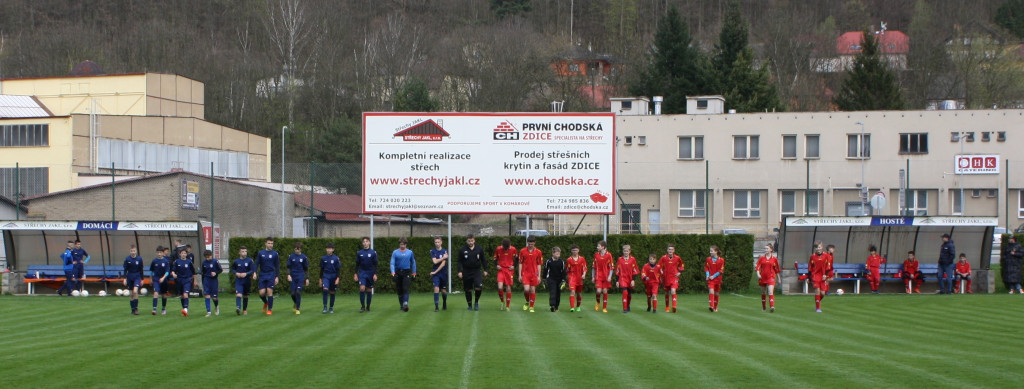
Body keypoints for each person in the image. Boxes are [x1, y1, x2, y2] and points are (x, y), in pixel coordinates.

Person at [457, 234, 487, 311]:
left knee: (479, 287)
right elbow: (459, 261)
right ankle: (469, 305)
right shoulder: (462, 249)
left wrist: (485, 270)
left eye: (472, 241)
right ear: (466, 241)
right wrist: (460, 271)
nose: (470, 242)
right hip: (466, 271)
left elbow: (483, 260)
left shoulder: (479, 249)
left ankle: (476, 302)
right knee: (468, 289)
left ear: (474, 240)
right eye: (469, 241)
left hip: (477, 271)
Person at [390, 237, 417, 312]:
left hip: (406, 272)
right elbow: (392, 263)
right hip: (398, 272)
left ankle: (405, 304)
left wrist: (414, 273)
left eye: (403, 244)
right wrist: (393, 273)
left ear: (406, 244)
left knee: (405, 288)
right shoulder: (395, 252)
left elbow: (413, 262)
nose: (402, 246)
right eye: (401, 244)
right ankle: (402, 306)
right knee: (399, 291)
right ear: (399, 244)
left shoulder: (410, 252)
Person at [518, 235, 543, 312]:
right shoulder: (522, 251)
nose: (530, 245)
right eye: (529, 244)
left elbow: (539, 264)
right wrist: (519, 275)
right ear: (527, 243)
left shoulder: (538, 252)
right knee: (526, 289)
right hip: (525, 273)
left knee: (532, 290)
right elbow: (520, 263)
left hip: (534, 274)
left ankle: (531, 306)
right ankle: (527, 301)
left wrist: (539, 276)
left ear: (534, 243)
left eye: (532, 244)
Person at [255, 237, 280, 315]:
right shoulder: (261, 253)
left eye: (272, 243)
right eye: (269, 243)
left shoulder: (275, 254)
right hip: (262, 275)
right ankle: (266, 303)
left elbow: (277, 266)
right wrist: (254, 273)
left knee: (269, 292)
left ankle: (269, 309)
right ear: (265, 243)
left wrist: (277, 276)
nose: (270, 245)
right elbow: (256, 264)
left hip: (271, 274)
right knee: (261, 293)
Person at [170, 248, 197, 317]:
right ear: (180, 254)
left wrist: (195, 281)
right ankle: (184, 309)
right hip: (179, 280)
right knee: (182, 296)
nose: (183, 254)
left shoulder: (189, 262)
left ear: (186, 254)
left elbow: (194, 272)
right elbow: (173, 270)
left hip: (187, 280)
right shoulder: (177, 262)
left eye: (185, 253)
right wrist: (173, 274)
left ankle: (185, 309)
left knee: (185, 294)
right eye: (182, 253)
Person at [355, 237, 379, 312]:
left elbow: (375, 264)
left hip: (370, 273)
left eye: (367, 241)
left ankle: (368, 306)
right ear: (362, 243)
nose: (365, 243)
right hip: (362, 272)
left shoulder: (373, 253)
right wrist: (355, 274)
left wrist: (375, 274)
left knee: (369, 290)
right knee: (362, 288)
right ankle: (362, 306)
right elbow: (357, 264)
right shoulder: (359, 253)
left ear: (369, 243)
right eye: (364, 241)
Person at [658, 244, 684, 313]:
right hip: (666, 278)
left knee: (673, 291)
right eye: (669, 249)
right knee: (667, 292)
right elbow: (658, 266)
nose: (670, 251)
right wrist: (660, 270)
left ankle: (674, 307)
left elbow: (681, 265)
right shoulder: (663, 258)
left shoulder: (677, 258)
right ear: (667, 250)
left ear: (674, 250)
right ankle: (667, 307)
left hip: (674, 277)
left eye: (672, 249)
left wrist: (679, 272)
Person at [614, 244, 640, 313]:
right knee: (625, 292)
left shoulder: (633, 259)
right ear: (623, 251)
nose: (626, 252)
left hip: (630, 279)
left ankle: (628, 305)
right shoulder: (620, 259)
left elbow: (635, 270)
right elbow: (617, 271)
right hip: (622, 279)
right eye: (624, 251)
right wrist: (617, 281)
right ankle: (624, 308)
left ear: (629, 251)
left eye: (627, 251)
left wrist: (633, 280)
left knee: (629, 294)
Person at [755, 243, 780, 312]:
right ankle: (764, 307)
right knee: (763, 292)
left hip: (771, 277)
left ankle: (772, 307)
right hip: (763, 277)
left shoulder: (774, 259)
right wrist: (758, 274)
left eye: (767, 248)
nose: (765, 250)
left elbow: (776, 269)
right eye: (765, 248)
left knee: (770, 292)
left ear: (771, 250)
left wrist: (779, 278)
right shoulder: (761, 258)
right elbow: (757, 267)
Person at [493, 238, 517, 311]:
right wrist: (496, 265)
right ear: (502, 245)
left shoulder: (513, 249)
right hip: (501, 270)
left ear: (510, 245)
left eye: (507, 248)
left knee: (508, 287)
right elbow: (495, 259)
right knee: (500, 287)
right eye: (505, 248)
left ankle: (507, 306)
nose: (506, 249)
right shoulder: (498, 249)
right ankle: (502, 301)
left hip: (509, 270)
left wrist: (514, 266)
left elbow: (517, 259)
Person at [232, 246, 256, 315]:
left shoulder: (250, 261)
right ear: (239, 252)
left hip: (247, 281)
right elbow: (233, 269)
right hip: (239, 281)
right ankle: (238, 308)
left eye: (245, 251)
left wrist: (246, 273)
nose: (244, 253)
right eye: (242, 251)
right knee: (238, 295)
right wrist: (236, 273)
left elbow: (252, 270)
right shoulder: (236, 261)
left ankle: (245, 309)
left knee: (245, 296)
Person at [287, 242, 310, 314]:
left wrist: (307, 278)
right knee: (293, 294)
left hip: (300, 276)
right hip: (293, 276)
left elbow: (306, 269)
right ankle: (295, 303)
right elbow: (288, 267)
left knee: (298, 292)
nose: (296, 250)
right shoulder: (291, 256)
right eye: (295, 249)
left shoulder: (304, 257)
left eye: (298, 249)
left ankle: (298, 308)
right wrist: (288, 274)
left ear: (301, 249)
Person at [809, 241, 831, 312]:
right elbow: (810, 267)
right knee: (817, 291)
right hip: (815, 276)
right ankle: (818, 308)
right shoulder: (812, 256)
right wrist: (808, 277)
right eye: (816, 247)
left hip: (823, 276)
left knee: (823, 294)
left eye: (819, 247)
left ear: (822, 247)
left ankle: (817, 301)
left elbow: (828, 266)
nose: (818, 249)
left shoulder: (826, 256)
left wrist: (825, 275)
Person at [592, 240, 614, 313]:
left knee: (604, 291)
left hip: (606, 276)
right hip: (598, 276)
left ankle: (604, 307)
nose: (597, 247)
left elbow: (611, 267)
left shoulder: (609, 255)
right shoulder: (596, 255)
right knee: (598, 291)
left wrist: (610, 276)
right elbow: (594, 267)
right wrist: (593, 276)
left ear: (603, 247)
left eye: (598, 246)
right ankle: (598, 302)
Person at [122, 245, 144, 315]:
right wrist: (125, 279)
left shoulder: (139, 259)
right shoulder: (127, 259)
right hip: (130, 276)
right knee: (131, 294)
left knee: (135, 291)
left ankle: (136, 308)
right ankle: (132, 310)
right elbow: (125, 270)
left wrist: (142, 279)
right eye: (131, 251)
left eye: (134, 251)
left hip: (137, 276)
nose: (133, 252)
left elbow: (141, 270)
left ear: (136, 251)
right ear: (130, 251)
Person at [565, 244, 588, 312]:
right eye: (573, 250)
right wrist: (567, 277)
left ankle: (578, 306)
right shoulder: (569, 260)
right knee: (572, 291)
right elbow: (567, 270)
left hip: (579, 278)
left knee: (579, 293)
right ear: (571, 251)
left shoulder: (582, 259)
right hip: (572, 278)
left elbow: (585, 268)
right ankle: (572, 307)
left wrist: (584, 274)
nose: (574, 251)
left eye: (576, 250)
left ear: (578, 250)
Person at [149, 246, 171, 315]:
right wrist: (150, 278)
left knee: (164, 294)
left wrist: (163, 278)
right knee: (156, 293)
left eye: (160, 252)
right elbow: (151, 271)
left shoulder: (165, 261)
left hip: (164, 280)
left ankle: (163, 309)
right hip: (156, 279)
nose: (159, 254)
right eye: (158, 252)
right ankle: (154, 309)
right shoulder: (154, 261)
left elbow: (167, 272)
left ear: (163, 253)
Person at [320, 243, 341, 313]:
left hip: (334, 276)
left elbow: (338, 269)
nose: (329, 250)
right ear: (326, 249)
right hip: (326, 275)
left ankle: (331, 307)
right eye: (328, 249)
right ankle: (325, 307)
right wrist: (320, 279)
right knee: (325, 290)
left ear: (333, 250)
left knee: (332, 292)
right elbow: (321, 269)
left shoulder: (336, 258)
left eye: (330, 249)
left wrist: (338, 278)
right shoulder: (323, 258)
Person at [429, 237, 449, 312]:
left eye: (438, 242)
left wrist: (435, 271)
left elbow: (443, 264)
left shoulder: (445, 251)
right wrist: (442, 258)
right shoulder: (432, 251)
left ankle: (444, 302)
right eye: (435, 242)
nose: (437, 244)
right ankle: (436, 306)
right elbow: (434, 262)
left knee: (443, 290)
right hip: (436, 274)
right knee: (436, 288)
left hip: (443, 273)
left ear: (441, 242)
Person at [200, 250, 222, 317]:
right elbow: (203, 272)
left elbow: (220, 269)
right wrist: (203, 281)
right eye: (206, 257)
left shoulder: (215, 261)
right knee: (207, 295)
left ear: (211, 255)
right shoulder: (204, 263)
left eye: (209, 257)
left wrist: (215, 273)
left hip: (214, 280)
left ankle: (216, 306)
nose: (207, 258)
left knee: (214, 297)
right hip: (206, 280)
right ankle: (208, 312)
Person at [544, 246, 566, 312]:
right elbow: (545, 270)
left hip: (559, 279)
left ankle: (556, 306)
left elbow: (564, 271)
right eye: (556, 254)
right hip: (551, 279)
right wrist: (544, 279)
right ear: (553, 253)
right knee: (553, 292)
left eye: (559, 254)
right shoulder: (549, 261)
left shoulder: (561, 262)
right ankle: (552, 305)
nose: (558, 255)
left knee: (558, 293)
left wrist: (563, 280)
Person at [705, 246, 725, 313]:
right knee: (711, 291)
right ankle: (711, 306)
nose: (710, 252)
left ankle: (715, 308)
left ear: (716, 251)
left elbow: (721, 270)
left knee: (716, 293)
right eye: (710, 251)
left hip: (718, 279)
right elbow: (706, 268)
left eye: (711, 251)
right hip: (711, 279)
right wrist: (707, 275)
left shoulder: (721, 260)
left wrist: (713, 276)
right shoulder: (708, 259)